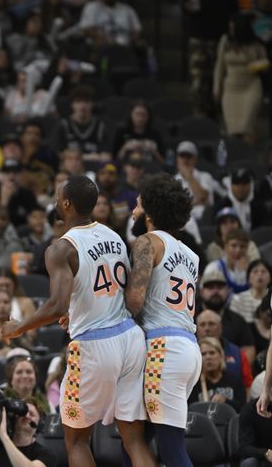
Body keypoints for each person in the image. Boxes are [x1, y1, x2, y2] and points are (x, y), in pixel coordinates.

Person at [1, 175, 154, 467]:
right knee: (133, 438)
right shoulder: (113, 235)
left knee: (76, 439)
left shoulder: (61, 248)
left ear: (66, 204)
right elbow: (108, 289)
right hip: (130, 338)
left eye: (58, 196)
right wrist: (76, 311)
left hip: (95, 346)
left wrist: (17, 327)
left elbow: (56, 304)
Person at [123, 173, 202, 467]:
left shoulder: (147, 242)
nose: (133, 210)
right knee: (135, 442)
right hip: (187, 349)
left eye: (138, 204)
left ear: (150, 212)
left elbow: (134, 301)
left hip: (162, 351)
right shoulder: (191, 255)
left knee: (172, 449)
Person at [214, 13, 268, 144]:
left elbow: (265, 63)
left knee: (246, 128)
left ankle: (248, 160)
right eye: (230, 28)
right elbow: (220, 65)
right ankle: (235, 161)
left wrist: (255, 65)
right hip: (231, 89)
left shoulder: (255, 44)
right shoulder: (225, 41)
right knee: (232, 130)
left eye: (234, 28)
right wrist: (217, 87)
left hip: (250, 87)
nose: (231, 31)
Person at [188, 336, 246, 412]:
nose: (208, 357)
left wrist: (225, 401)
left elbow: (242, 408)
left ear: (221, 355)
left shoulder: (234, 380)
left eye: (212, 353)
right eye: (203, 354)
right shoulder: (194, 384)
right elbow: (191, 411)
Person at [205, 228, 253, 295]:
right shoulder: (214, 268)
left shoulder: (254, 270)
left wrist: (243, 272)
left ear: (247, 248)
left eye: (242, 246)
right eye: (234, 246)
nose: (238, 250)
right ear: (225, 247)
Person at [238, 397, 272, 466]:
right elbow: (244, 448)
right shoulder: (249, 409)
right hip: (259, 457)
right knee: (250, 462)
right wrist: (266, 453)